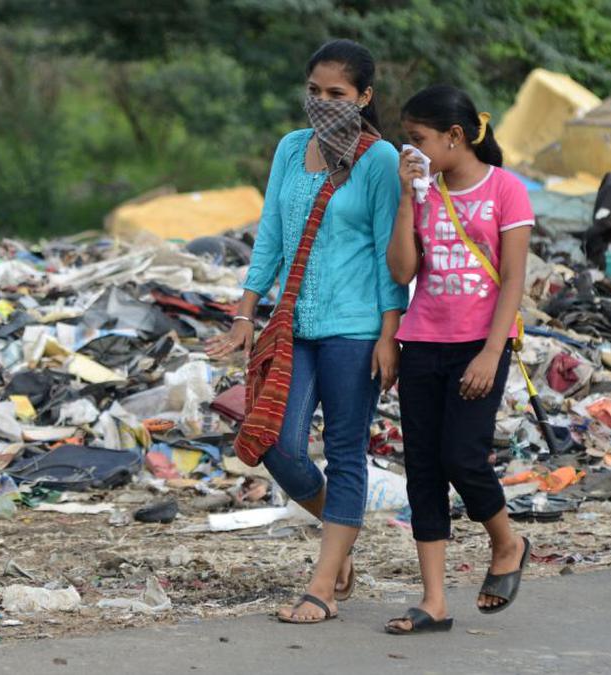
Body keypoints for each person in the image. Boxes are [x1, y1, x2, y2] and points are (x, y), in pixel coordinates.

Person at [206, 39, 407, 624]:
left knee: (346, 452)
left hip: (355, 330)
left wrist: (389, 335)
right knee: (276, 443)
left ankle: (320, 585)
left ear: (364, 97)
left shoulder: (379, 160)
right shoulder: (292, 149)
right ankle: (338, 536)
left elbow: (385, 257)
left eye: (336, 94)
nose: (322, 102)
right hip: (293, 326)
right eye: (314, 91)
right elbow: (270, 233)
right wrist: (246, 313)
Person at [384, 84, 533, 634]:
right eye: (406, 141)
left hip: (478, 346)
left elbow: (514, 279)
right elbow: (402, 271)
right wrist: (406, 196)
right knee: (422, 469)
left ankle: (507, 541)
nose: (411, 151)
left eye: (418, 140)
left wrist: (493, 352)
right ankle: (433, 601)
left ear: (455, 136)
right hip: (422, 343)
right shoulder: (422, 192)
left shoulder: (506, 190)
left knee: (462, 459)